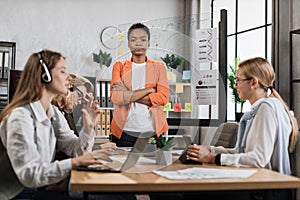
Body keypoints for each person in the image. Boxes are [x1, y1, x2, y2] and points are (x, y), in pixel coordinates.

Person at [0, 50, 113, 200]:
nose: (68, 77)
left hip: (36, 189)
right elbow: (29, 175)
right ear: (44, 75)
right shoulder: (20, 117)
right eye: (62, 71)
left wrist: (88, 128)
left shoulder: (53, 113)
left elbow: (75, 150)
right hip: (17, 195)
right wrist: (77, 162)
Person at [187, 57, 298, 174]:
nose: (235, 86)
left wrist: (212, 158)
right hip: (259, 179)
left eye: (238, 80)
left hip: (265, 184)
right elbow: (242, 153)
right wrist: (210, 150)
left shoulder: (266, 109)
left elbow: (258, 159)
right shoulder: (262, 108)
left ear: (253, 82)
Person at [110, 22, 169, 147]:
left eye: (143, 39)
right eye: (133, 40)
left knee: (151, 166)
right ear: (128, 44)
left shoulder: (159, 67)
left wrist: (127, 92)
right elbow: (116, 97)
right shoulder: (119, 66)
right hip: (124, 132)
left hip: (152, 132)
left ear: (148, 43)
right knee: (122, 165)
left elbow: (163, 98)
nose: (138, 43)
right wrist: (148, 90)